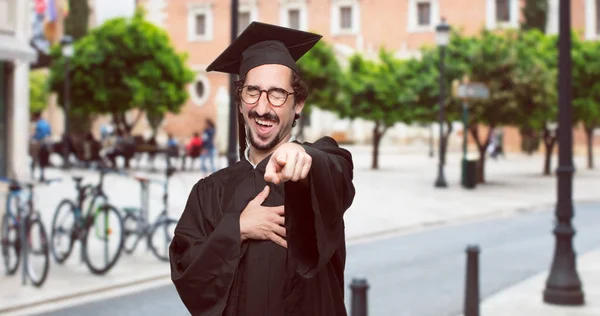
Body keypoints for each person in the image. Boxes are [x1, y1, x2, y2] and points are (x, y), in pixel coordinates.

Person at [169, 22, 355, 316]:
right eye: (252, 91)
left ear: (298, 104)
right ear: (240, 100)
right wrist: (237, 230)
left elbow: (337, 174)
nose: (262, 106)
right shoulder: (209, 192)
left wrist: (303, 156)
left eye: (277, 94)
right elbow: (188, 275)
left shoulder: (320, 165)